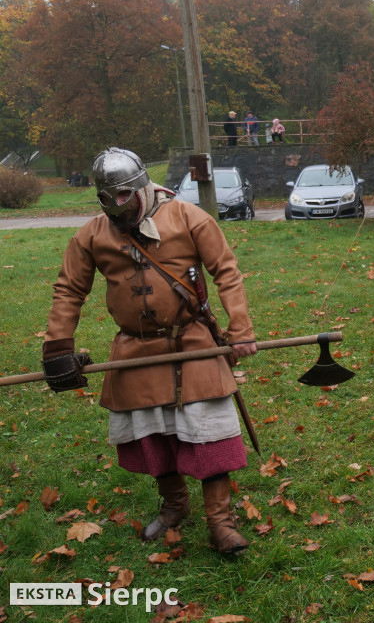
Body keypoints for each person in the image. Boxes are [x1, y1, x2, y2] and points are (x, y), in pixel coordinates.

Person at [41, 148, 258, 555]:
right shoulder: (91, 235)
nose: (118, 206)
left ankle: (221, 522)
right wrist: (57, 348)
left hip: (193, 343)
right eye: (109, 198)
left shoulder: (188, 217)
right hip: (135, 350)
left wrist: (240, 327)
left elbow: (226, 271)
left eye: (125, 195)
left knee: (209, 434)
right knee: (153, 435)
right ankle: (175, 504)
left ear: (141, 186)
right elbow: (69, 289)